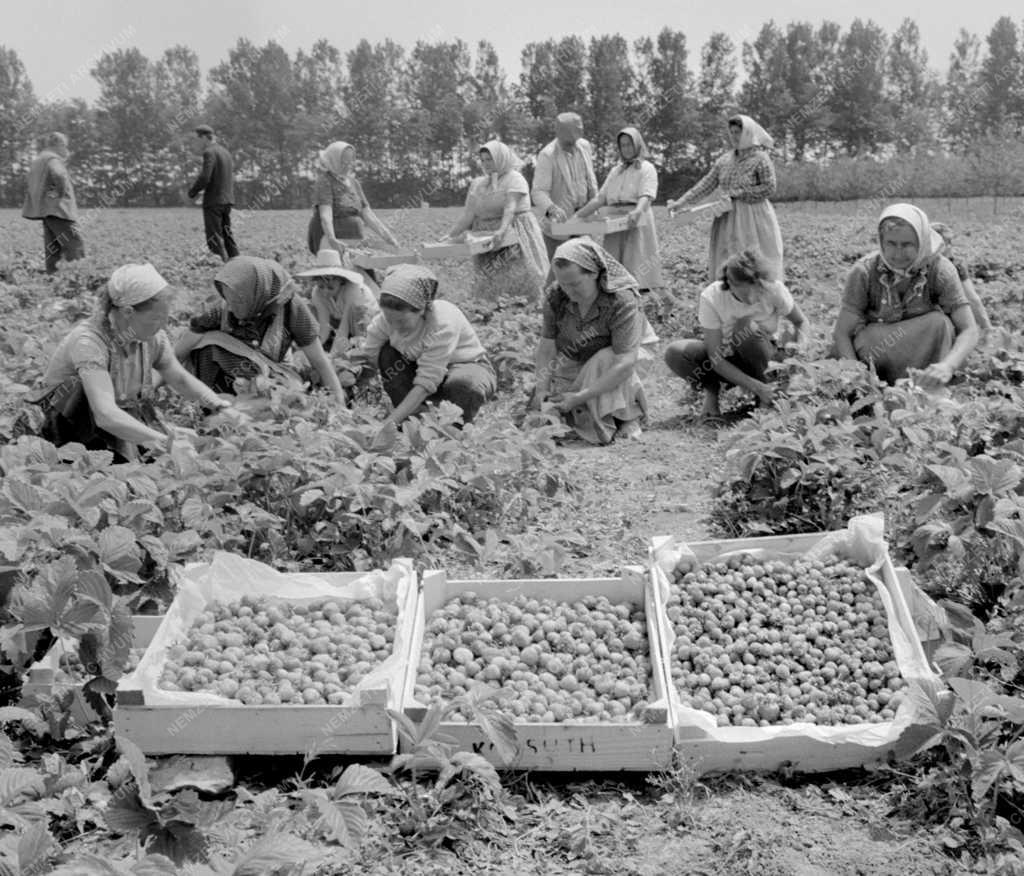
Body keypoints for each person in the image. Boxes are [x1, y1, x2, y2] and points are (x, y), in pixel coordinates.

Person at [28, 264, 231, 461]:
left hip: (121, 414)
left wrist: (218, 405)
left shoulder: (152, 337)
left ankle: (133, 449)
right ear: (127, 313)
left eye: (165, 318)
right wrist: (166, 443)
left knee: (184, 446)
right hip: (75, 424)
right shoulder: (89, 342)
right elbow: (105, 414)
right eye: (155, 319)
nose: (162, 325)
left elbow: (178, 377)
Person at [832, 204, 979, 388]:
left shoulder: (940, 270)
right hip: (875, 354)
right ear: (881, 242)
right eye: (891, 244)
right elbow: (842, 333)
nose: (898, 254)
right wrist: (856, 373)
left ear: (922, 242)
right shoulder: (864, 271)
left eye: (907, 245)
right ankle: (878, 385)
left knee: (940, 323)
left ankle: (927, 385)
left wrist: (948, 366)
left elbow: (969, 330)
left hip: (924, 353)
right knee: (869, 337)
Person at [532, 238, 658, 444]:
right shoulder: (556, 296)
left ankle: (627, 416)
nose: (568, 291)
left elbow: (625, 362)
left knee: (603, 361)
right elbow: (547, 348)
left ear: (594, 273)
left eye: (575, 284)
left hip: (626, 355)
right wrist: (541, 391)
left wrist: (581, 396)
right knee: (557, 404)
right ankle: (599, 413)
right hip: (578, 353)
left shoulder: (620, 300)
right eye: (563, 284)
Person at [174, 256, 346, 404]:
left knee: (287, 402)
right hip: (227, 384)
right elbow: (177, 354)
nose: (231, 308)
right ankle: (213, 406)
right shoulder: (222, 307)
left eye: (238, 301)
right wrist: (152, 386)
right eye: (227, 298)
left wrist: (339, 404)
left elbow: (320, 361)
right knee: (207, 345)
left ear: (258, 295)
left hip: (272, 381)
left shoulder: (291, 308)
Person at [664, 249, 807, 422]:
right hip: (728, 361)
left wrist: (799, 357)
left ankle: (771, 396)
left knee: (744, 328)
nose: (753, 298)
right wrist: (756, 387)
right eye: (746, 293)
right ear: (730, 284)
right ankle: (713, 392)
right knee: (677, 352)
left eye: (758, 290)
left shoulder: (773, 288)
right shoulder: (712, 297)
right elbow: (715, 359)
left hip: (766, 358)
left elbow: (801, 322)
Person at [343, 264, 496, 426]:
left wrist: (389, 423)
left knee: (463, 385)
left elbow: (426, 381)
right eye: (390, 320)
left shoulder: (442, 323)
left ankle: (452, 426)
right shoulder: (384, 320)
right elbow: (369, 361)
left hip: (466, 367)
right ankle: (413, 420)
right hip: (419, 370)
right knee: (387, 353)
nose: (394, 326)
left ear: (422, 310)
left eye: (401, 321)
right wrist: (366, 407)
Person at [667, 114, 783, 283]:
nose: (734, 137)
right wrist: (681, 202)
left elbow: (769, 187)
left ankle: (755, 296)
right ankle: (728, 297)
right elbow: (705, 184)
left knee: (750, 258)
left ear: (748, 133)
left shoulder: (760, 158)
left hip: (752, 217)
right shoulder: (725, 160)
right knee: (727, 257)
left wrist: (740, 193)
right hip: (726, 214)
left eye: (738, 132)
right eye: (732, 132)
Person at [441, 140, 549, 301]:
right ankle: (489, 310)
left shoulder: (515, 179)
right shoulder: (478, 184)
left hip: (514, 232)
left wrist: (501, 230)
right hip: (484, 236)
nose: (486, 164)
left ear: (501, 158)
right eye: (483, 160)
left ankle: (521, 309)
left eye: (489, 159)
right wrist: (450, 237)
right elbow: (468, 215)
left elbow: (510, 207)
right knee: (488, 279)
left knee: (516, 276)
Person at [572, 127, 663, 293]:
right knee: (614, 265)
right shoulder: (616, 171)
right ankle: (619, 298)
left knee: (636, 260)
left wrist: (638, 211)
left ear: (637, 145)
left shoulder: (646, 168)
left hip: (636, 218)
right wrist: (577, 217)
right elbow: (600, 198)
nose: (626, 149)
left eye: (629, 144)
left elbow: (647, 195)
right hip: (615, 220)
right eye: (623, 145)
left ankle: (640, 299)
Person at [307, 141, 400, 259]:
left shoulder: (354, 183)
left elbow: (368, 215)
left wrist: (388, 237)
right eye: (343, 161)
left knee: (361, 273)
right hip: (331, 240)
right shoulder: (325, 181)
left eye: (350, 160)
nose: (348, 164)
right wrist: (332, 239)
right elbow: (326, 215)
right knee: (337, 273)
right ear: (333, 160)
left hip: (354, 241)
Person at [531, 112, 599, 267]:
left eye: (574, 140)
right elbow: (538, 191)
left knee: (587, 267)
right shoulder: (547, 155)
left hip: (583, 218)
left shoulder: (584, 146)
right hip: (559, 224)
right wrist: (551, 208)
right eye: (568, 141)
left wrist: (595, 202)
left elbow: (590, 178)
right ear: (559, 135)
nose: (572, 144)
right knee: (559, 270)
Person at [296, 249, 379, 357]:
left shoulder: (352, 290)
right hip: (341, 322)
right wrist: (314, 349)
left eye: (330, 288)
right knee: (310, 309)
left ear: (341, 282)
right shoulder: (317, 293)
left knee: (357, 313)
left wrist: (332, 356)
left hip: (366, 322)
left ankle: (363, 349)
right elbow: (324, 325)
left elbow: (344, 327)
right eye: (321, 286)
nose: (325, 291)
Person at [22, 132, 85, 274]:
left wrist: (46, 198)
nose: (66, 150)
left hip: (46, 211)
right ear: (59, 145)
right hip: (59, 210)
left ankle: (52, 277)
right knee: (74, 244)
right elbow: (59, 175)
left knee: (53, 249)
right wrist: (57, 194)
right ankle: (80, 277)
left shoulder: (38, 160)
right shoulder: (52, 159)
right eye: (65, 146)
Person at [931, 221, 992, 338]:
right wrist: (987, 327)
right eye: (946, 243)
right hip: (948, 322)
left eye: (950, 242)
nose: (949, 247)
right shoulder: (954, 265)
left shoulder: (916, 263)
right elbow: (972, 298)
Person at [187, 124, 238, 262]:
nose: (197, 142)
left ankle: (221, 267)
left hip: (214, 201)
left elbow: (205, 177)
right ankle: (238, 263)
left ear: (204, 137)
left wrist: (192, 192)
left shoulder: (209, 152)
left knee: (214, 237)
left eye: (197, 139)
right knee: (227, 234)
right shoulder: (225, 152)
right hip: (227, 201)